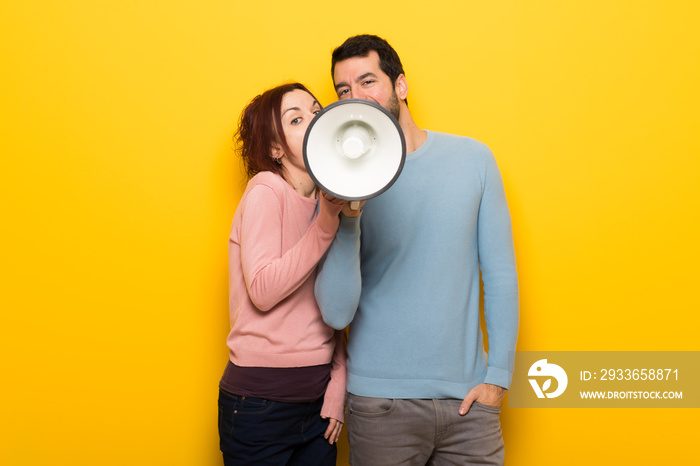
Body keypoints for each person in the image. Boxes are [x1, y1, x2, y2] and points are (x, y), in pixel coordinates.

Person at [315, 35, 519, 465]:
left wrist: (498, 378)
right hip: (380, 404)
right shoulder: (341, 180)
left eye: (367, 81)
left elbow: (499, 275)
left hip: (469, 405)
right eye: (343, 91)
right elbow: (335, 312)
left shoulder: (474, 159)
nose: (356, 98)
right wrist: (347, 214)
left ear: (400, 86)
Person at [218, 82, 348, 465]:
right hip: (260, 407)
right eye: (296, 119)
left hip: (318, 404)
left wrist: (337, 386)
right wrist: (325, 225)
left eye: (315, 109)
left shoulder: (332, 203)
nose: (313, 119)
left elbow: (337, 307)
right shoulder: (266, 190)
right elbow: (262, 289)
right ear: (276, 150)